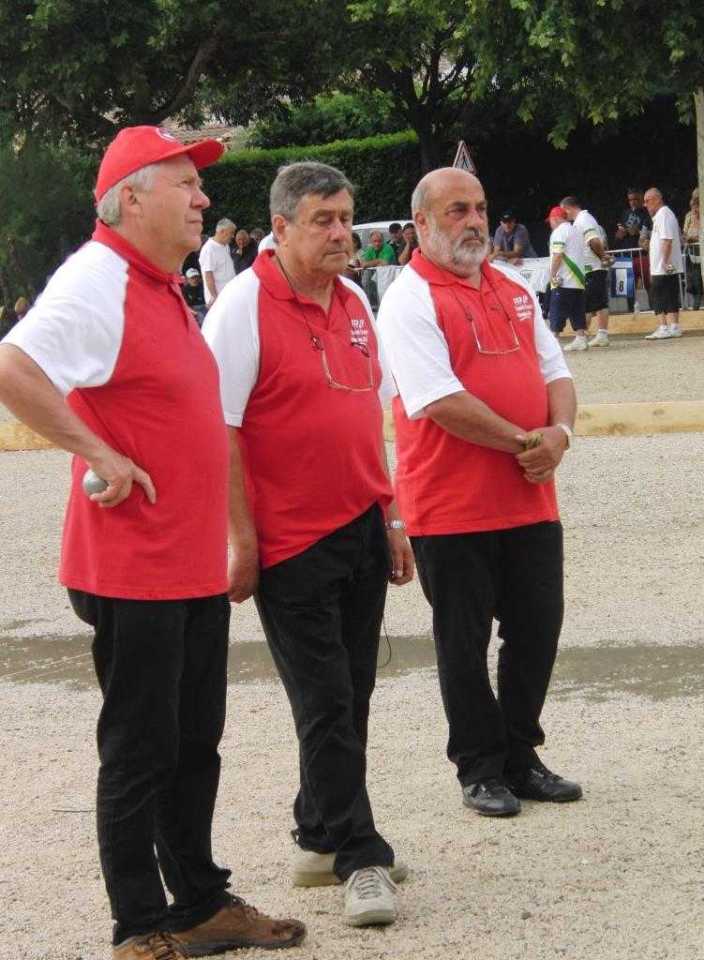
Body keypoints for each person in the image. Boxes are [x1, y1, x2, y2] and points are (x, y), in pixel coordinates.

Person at [0, 125, 305, 960]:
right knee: (139, 750)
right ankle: (138, 925)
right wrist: (98, 453)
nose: (203, 197)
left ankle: (199, 903)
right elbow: (13, 367)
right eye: (184, 183)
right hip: (133, 566)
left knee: (193, 744)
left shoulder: (159, 283)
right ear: (130, 198)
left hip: (187, 563)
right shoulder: (98, 276)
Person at [202, 161, 414, 929]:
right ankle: (360, 856)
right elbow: (221, 430)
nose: (340, 234)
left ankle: (319, 833)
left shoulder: (355, 300)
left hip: (359, 524)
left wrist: (391, 515)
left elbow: (370, 417)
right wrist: (240, 538)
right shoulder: (242, 306)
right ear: (281, 227)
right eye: (323, 220)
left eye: (346, 218)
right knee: (324, 700)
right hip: (289, 540)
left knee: (352, 691)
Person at [377, 166, 582, 820]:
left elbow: (556, 370)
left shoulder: (513, 285)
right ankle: (479, 766)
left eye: (480, 208)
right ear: (421, 224)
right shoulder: (408, 298)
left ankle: (521, 756)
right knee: (462, 644)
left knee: (537, 630)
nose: (474, 222)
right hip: (451, 507)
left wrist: (560, 435)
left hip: (530, 500)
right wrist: (529, 444)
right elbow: (438, 400)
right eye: (457, 210)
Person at [560, 197, 611, 347]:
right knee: (599, 303)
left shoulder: (583, 220)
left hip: (592, 268)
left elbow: (593, 240)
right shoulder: (584, 219)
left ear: (568, 208)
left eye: (563, 211)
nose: (563, 215)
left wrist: (603, 256)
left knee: (584, 305)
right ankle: (601, 335)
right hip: (593, 268)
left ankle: (581, 337)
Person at [546, 205, 588, 352]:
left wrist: (552, 275)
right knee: (577, 310)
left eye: (550, 221)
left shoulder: (558, 232)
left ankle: (554, 340)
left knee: (557, 311)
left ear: (555, 219)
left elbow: (558, 255)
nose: (550, 224)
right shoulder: (576, 231)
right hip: (578, 280)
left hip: (563, 280)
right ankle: (581, 338)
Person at [643, 187, 684, 340]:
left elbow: (667, 240)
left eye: (647, 201)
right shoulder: (664, 215)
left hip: (662, 266)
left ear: (657, 199)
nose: (645, 205)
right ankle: (674, 326)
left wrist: (664, 262)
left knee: (658, 295)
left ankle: (663, 327)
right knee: (671, 294)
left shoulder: (663, 214)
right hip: (666, 265)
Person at [614, 187, 652, 312]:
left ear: (641, 198)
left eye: (635, 199)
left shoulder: (647, 212)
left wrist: (638, 231)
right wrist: (620, 234)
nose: (633, 202)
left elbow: (650, 231)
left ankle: (654, 309)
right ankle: (631, 312)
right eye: (630, 200)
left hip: (642, 254)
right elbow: (619, 232)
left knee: (649, 284)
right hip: (626, 254)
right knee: (628, 287)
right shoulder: (625, 213)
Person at [199, 216, 236, 306]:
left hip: (229, 295)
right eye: (231, 233)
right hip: (219, 298)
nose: (233, 236)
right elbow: (208, 276)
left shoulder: (225, 245)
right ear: (222, 232)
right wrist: (214, 297)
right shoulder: (209, 249)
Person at [682, 188, 703, 310]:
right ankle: (696, 304)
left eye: (697, 202)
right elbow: (684, 233)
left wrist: (696, 238)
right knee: (693, 279)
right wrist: (687, 238)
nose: (694, 206)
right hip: (692, 253)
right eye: (693, 203)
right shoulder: (689, 216)